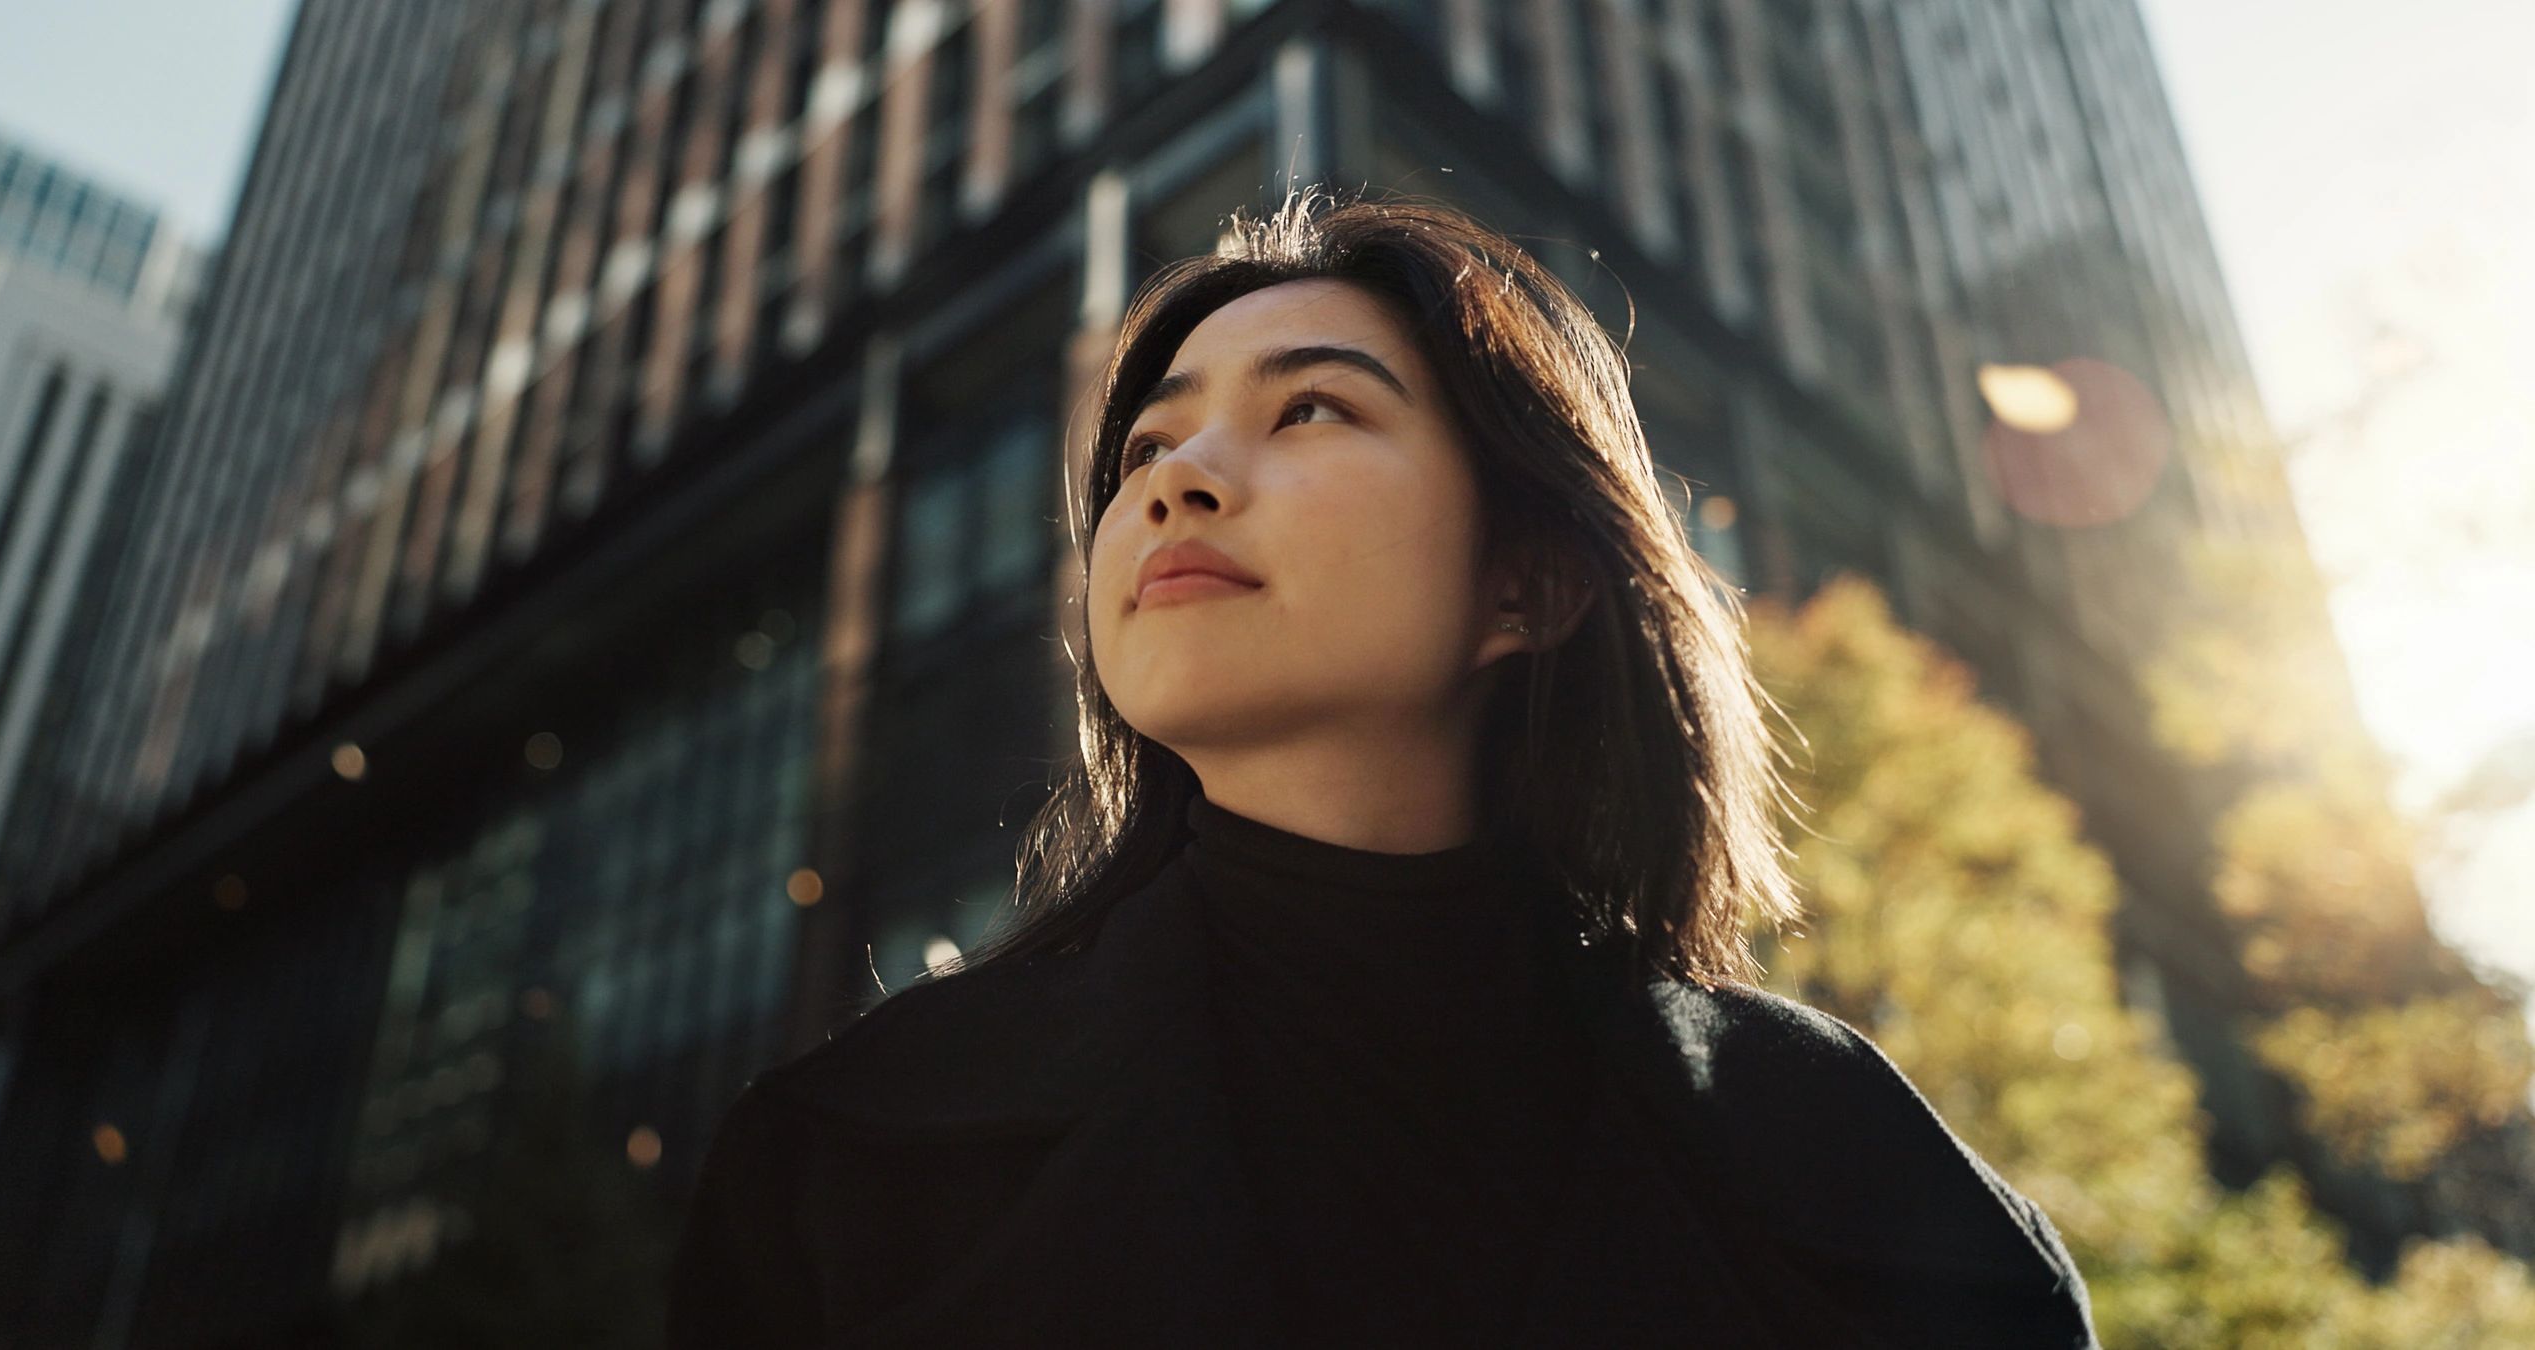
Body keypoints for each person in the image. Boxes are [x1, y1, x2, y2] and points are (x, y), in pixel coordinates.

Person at [666, 188, 2099, 1348]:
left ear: (1527, 586)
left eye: (1310, 411)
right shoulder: (852, 1159)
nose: (1174, 478)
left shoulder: (1872, 1189)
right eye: (1148, 443)